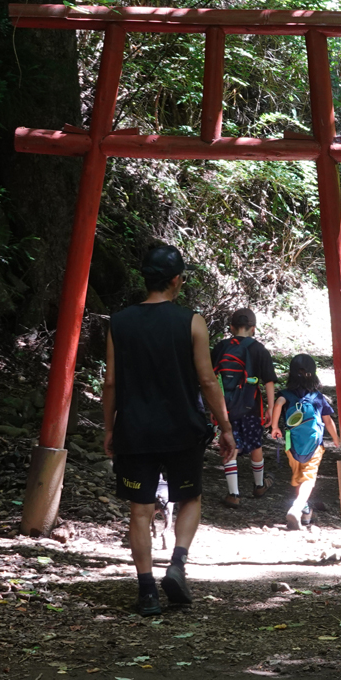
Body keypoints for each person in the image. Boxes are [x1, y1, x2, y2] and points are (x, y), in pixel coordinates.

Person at [103, 245, 236, 615]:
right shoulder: (191, 321)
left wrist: (108, 427)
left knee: (140, 511)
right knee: (189, 498)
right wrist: (225, 427)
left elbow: (111, 382)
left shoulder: (119, 322)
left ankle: (146, 591)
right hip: (182, 429)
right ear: (176, 280)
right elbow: (208, 381)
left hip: (134, 430)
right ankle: (177, 563)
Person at [211, 308, 277, 508]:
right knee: (255, 444)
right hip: (251, 406)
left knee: (229, 445)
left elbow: (211, 379)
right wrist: (270, 409)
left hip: (226, 407)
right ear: (253, 329)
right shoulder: (259, 350)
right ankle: (259, 485)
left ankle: (233, 493)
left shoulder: (221, 348)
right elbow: (269, 382)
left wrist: (214, 407)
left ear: (231, 328)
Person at [268, 354, 339, 531]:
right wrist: (336, 439)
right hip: (315, 446)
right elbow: (328, 421)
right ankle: (297, 507)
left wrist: (275, 427)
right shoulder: (317, 397)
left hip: (291, 445)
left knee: (299, 475)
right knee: (309, 477)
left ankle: (305, 510)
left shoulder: (285, 395)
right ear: (313, 374)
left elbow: (277, 405)